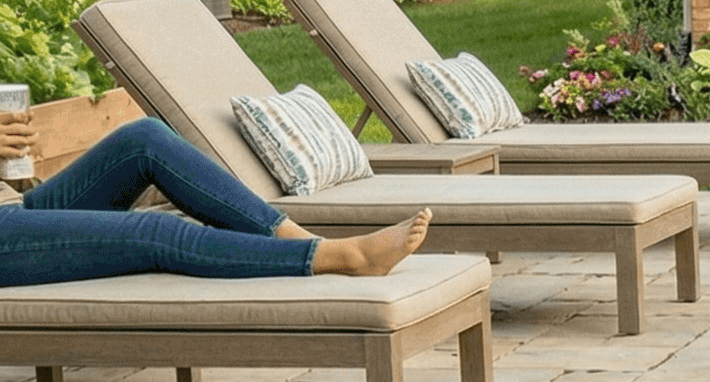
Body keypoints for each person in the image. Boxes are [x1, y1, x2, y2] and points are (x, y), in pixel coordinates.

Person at [0, 109, 429, 288]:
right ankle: (344, 257)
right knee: (156, 232)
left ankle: (296, 238)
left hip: (14, 209)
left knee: (144, 138)